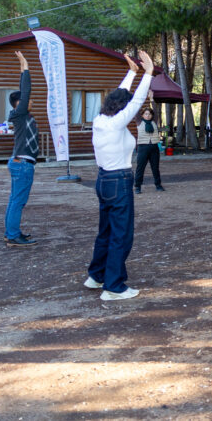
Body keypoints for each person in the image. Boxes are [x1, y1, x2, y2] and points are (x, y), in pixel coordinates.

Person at [85, 51, 154, 301]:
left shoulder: (100, 119)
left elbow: (121, 96)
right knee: (121, 235)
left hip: (103, 180)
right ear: (122, 110)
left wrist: (132, 73)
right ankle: (114, 287)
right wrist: (147, 74)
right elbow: (133, 102)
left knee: (106, 231)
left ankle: (97, 275)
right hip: (118, 181)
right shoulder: (115, 124)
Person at [4, 50, 39, 247]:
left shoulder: (24, 117)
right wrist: (24, 67)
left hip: (21, 163)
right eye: (27, 100)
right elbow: (25, 91)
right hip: (22, 164)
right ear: (20, 103)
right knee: (18, 201)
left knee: (15, 200)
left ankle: (11, 232)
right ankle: (12, 235)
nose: (31, 101)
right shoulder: (20, 113)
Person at [133, 105, 164, 195]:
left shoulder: (154, 121)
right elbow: (136, 112)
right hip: (143, 148)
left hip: (154, 147)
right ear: (142, 115)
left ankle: (158, 185)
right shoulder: (139, 121)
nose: (148, 115)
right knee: (140, 168)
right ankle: (137, 187)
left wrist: (152, 99)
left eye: (149, 114)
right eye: (146, 114)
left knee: (155, 168)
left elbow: (156, 111)